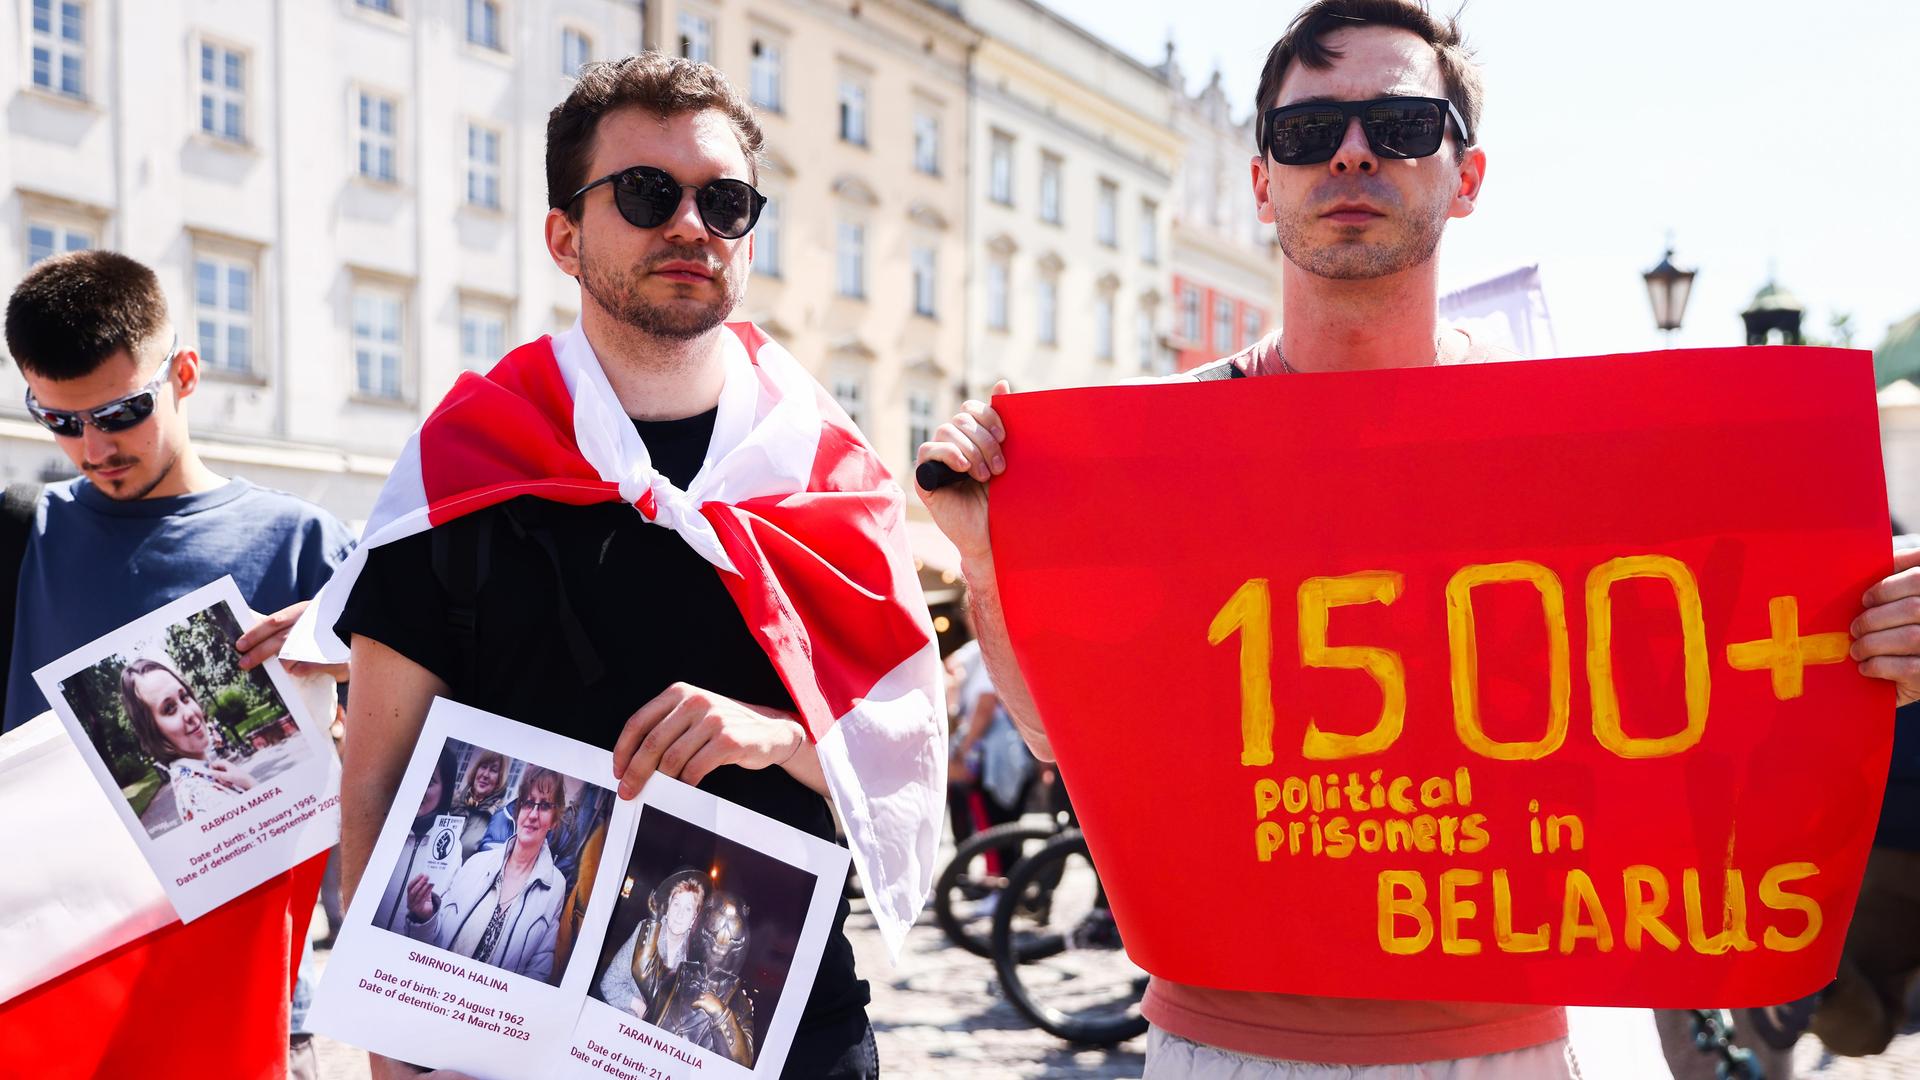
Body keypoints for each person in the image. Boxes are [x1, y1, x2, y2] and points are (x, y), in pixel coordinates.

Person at [916, 3, 1920, 1077]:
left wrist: (1870, 648)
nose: (1352, 152)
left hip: (1500, 1045)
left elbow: (1693, 705)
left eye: (1399, 124)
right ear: (1264, 183)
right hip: (1226, 1044)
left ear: (1467, 175)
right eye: (1307, 134)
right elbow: (1072, 739)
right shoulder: (1159, 456)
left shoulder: (1575, 445)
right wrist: (985, 556)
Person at [313, 51, 945, 1080]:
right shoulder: (471, 458)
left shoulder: (831, 479)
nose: (691, 225)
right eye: (649, 194)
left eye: (725, 200)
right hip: (512, 1044)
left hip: (777, 1031)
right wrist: (397, 1047)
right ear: (565, 237)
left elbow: (908, 755)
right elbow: (375, 779)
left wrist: (778, 735)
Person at [3, 249, 355, 1079]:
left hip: (254, 1006)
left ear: (184, 373)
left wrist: (350, 677)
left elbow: (389, 764)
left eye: (121, 412)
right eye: (59, 420)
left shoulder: (305, 547)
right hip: (60, 998)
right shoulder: (20, 535)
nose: (92, 447)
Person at [404, 767, 568, 985]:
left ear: (555, 820)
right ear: (518, 810)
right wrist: (425, 917)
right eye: (528, 803)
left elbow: (539, 967)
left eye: (545, 806)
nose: (533, 814)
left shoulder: (555, 885)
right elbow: (432, 942)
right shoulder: (476, 864)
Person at [122, 657, 256, 825]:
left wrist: (247, 783)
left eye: (184, 697)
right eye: (169, 709)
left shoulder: (202, 776)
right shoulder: (200, 795)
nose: (190, 713)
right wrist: (252, 785)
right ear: (154, 733)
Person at [659, 890, 758, 1066]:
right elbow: (642, 971)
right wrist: (654, 921)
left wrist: (721, 1015)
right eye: (713, 904)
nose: (729, 911)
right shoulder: (673, 977)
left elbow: (743, 1063)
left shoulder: (739, 1003)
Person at [599, 869, 708, 1022]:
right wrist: (639, 1007)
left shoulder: (692, 955)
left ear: (694, 918)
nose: (680, 914)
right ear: (668, 907)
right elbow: (609, 984)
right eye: (676, 904)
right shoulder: (646, 932)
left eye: (688, 908)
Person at [373, 748, 458, 934]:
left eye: (429, 782)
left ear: (446, 789)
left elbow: (440, 928)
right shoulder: (383, 826)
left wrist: (423, 919)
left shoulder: (452, 846)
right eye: (415, 778)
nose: (418, 789)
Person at [450, 749, 507, 860]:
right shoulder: (452, 802)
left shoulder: (499, 818)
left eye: (493, 770)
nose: (485, 775)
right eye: (483, 766)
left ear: (499, 779)